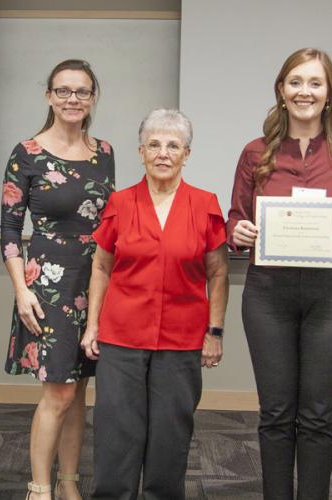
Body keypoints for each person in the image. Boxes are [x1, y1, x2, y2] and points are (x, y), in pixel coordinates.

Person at [225, 48, 332, 499]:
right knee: (275, 413)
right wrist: (237, 229)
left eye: (315, 83)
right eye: (295, 82)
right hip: (268, 293)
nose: (304, 91)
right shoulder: (254, 153)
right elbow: (233, 221)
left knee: (317, 415)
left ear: (329, 92)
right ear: (281, 90)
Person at [80, 109, 228, 500]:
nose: (164, 153)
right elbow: (101, 265)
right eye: (155, 145)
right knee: (116, 433)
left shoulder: (205, 205)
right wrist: (92, 325)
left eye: (173, 145)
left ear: (187, 154)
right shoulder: (120, 202)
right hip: (122, 338)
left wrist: (214, 332)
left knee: (170, 435)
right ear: (141, 152)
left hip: (181, 341)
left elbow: (218, 274)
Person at [1, 59, 114, 500]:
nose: (72, 99)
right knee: (58, 394)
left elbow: (108, 225)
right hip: (46, 286)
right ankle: (39, 488)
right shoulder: (26, 152)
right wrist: (20, 290)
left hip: (96, 283)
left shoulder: (104, 152)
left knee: (79, 391)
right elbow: (9, 229)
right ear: (49, 96)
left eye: (82, 92)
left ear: (93, 98)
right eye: (63, 91)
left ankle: (69, 484)